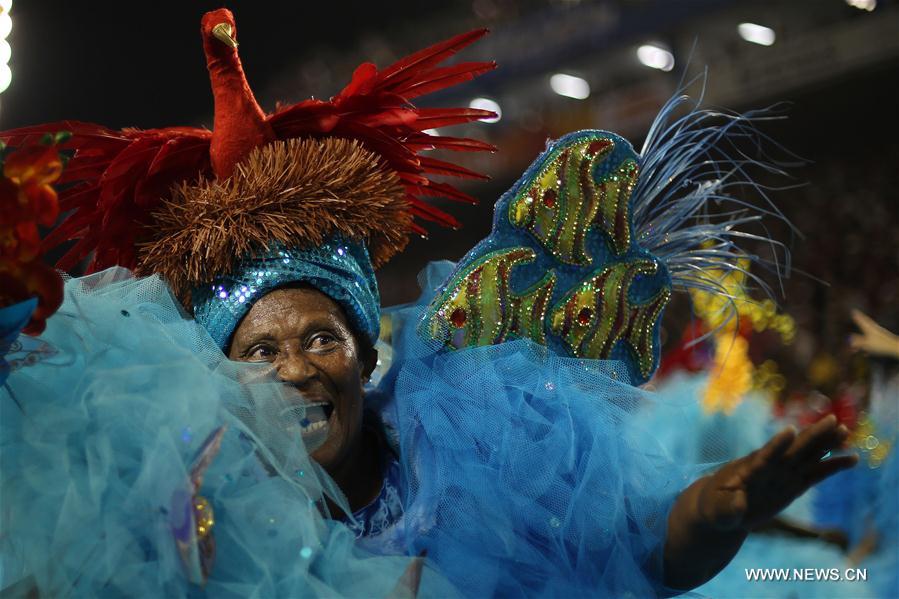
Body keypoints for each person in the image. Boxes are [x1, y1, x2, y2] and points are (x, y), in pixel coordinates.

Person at [1, 8, 858, 597]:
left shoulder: (476, 449)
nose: (295, 369)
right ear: (216, 379)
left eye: (320, 338)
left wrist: (710, 515)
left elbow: (626, 551)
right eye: (258, 351)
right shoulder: (179, 510)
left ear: (367, 351)